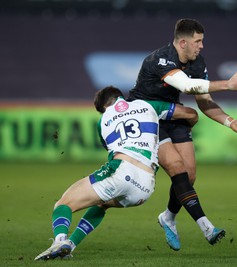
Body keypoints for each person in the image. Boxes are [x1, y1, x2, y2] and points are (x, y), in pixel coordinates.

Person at [128, 18, 237, 251]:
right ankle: (207, 226)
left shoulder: (198, 62)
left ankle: (167, 217)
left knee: (189, 175)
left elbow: (205, 102)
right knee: (177, 168)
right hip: (148, 119)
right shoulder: (160, 59)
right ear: (183, 42)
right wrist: (227, 84)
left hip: (174, 116)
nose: (201, 46)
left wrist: (230, 122)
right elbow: (187, 87)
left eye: (202, 41)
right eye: (198, 41)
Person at [34, 86, 199, 260]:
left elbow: (114, 147)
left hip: (123, 170)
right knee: (101, 204)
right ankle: (70, 245)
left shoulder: (103, 119)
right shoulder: (148, 105)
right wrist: (185, 130)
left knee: (63, 204)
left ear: (104, 107)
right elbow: (191, 114)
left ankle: (59, 241)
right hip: (145, 187)